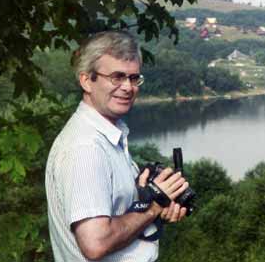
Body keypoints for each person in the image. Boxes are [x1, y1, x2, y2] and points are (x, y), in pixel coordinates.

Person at [45, 31, 189, 261]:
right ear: (86, 80)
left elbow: (122, 217)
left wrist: (156, 213)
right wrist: (153, 205)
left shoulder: (107, 137)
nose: (127, 87)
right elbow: (96, 243)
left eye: (134, 78)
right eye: (116, 77)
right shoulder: (86, 148)